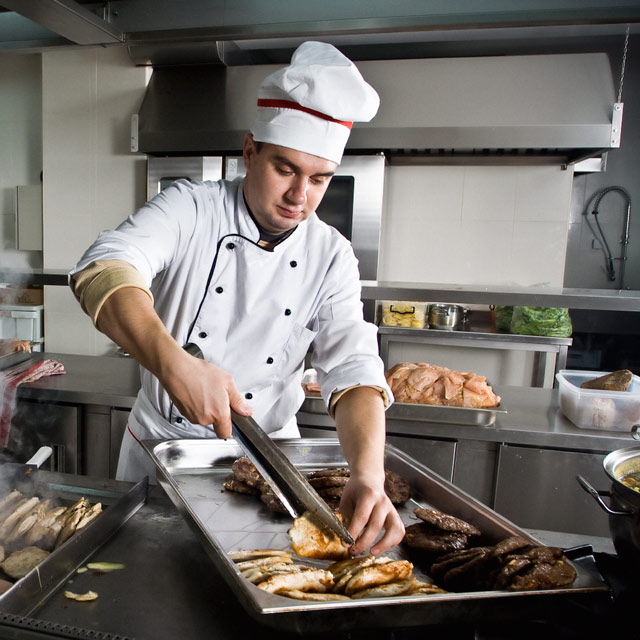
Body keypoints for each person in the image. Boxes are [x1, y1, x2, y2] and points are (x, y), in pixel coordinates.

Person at [69, 41, 403, 556]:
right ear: (250, 151)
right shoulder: (190, 208)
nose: (300, 197)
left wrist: (368, 473)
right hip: (163, 453)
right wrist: (175, 364)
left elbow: (354, 368)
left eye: (319, 179)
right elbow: (102, 268)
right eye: (286, 170)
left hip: (269, 468)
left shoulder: (331, 254)